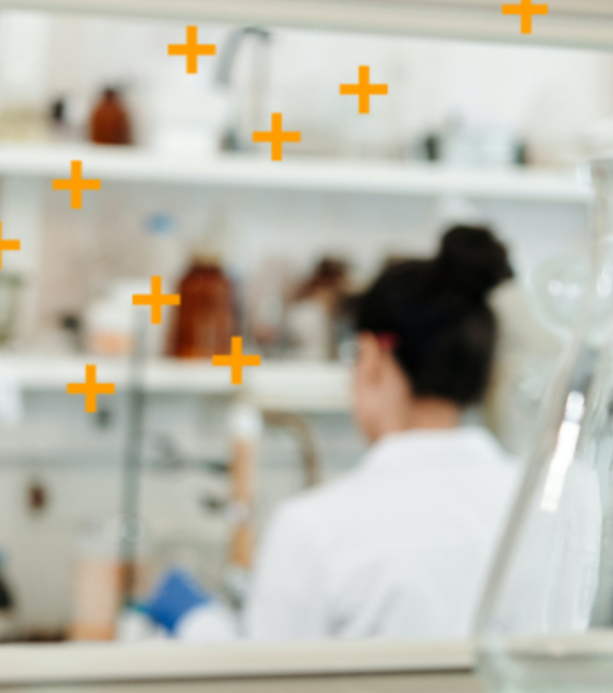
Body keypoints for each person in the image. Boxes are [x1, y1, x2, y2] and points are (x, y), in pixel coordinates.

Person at [145, 225, 524, 641]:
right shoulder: (557, 503)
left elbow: (264, 679)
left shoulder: (314, 528)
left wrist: (198, 623)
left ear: (373, 359)